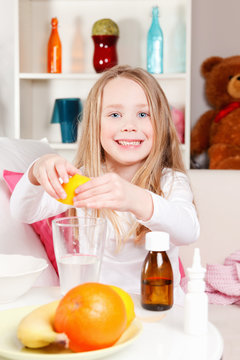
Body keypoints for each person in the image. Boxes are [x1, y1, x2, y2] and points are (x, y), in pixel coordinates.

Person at [10, 65, 199, 304]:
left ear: (160, 123)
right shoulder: (84, 180)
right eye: (115, 115)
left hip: (158, 307)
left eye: (143, 114)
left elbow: (188, 231)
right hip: (100, 307)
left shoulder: (170, 181)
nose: (129, 125)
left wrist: (134, 198)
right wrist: (37, 170)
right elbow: (23, 212)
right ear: (95, 125)